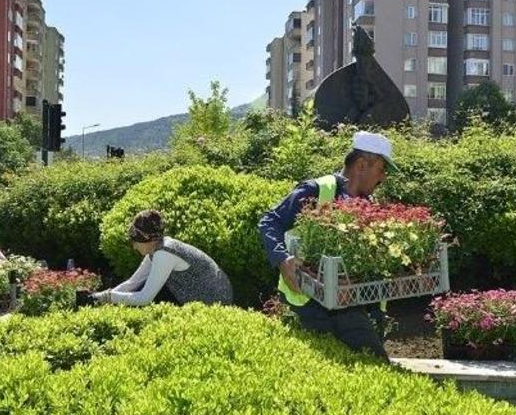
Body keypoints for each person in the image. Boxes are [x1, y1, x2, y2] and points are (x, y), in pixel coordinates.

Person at [258, 131, 399, 359]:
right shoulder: (317, 190)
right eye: (381, 170)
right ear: (362, 165)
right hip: (307, 304)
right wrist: (283, 260)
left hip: (351, 306)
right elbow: (270, 221)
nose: (383, 178)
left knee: (372, 364)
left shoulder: (369, 205)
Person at [92, 210, 233, 306]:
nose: (134, 247)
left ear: (146, 240)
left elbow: (145, 298)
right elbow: (132, 283)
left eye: (135, 242)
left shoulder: (164, 254)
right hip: (206, 297)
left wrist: (109, 297)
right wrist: (101, 297)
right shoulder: (157, 248)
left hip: (214, 302)